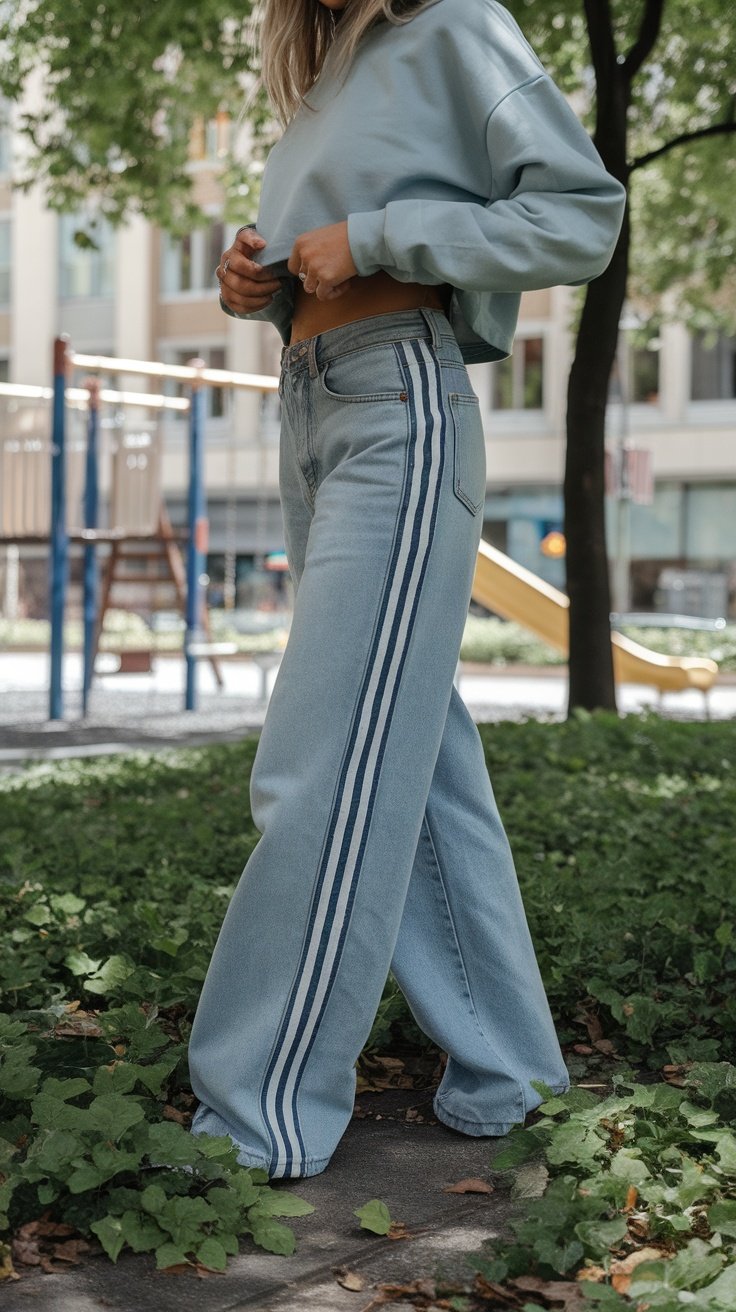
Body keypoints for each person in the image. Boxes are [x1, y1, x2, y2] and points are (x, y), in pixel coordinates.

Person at [187, 0, 626, 1181]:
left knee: (318, 759)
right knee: (414, 753)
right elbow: (318, 261)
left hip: (399, 408)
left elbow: (582, 216)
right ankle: (509, 1067)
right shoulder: (322, 67)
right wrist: (260, 281)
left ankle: (256, 1113)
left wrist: (378, 236)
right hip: (313, 402)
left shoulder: (457, 28)